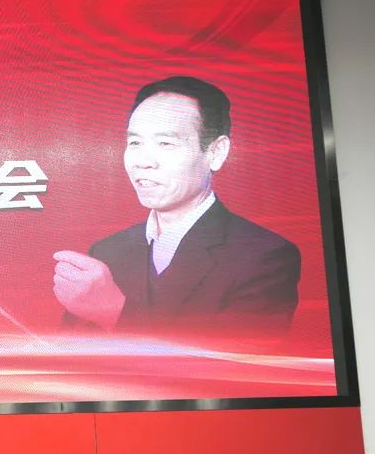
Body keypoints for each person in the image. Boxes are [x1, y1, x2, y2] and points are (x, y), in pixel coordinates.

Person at [54, 76, 301, 332]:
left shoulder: (264, 256)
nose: (143, 161)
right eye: (135, 142)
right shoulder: (107, 252)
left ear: (216, 152)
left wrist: (115, 311)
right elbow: (70, 351)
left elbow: (241, 356)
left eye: (165, 143)